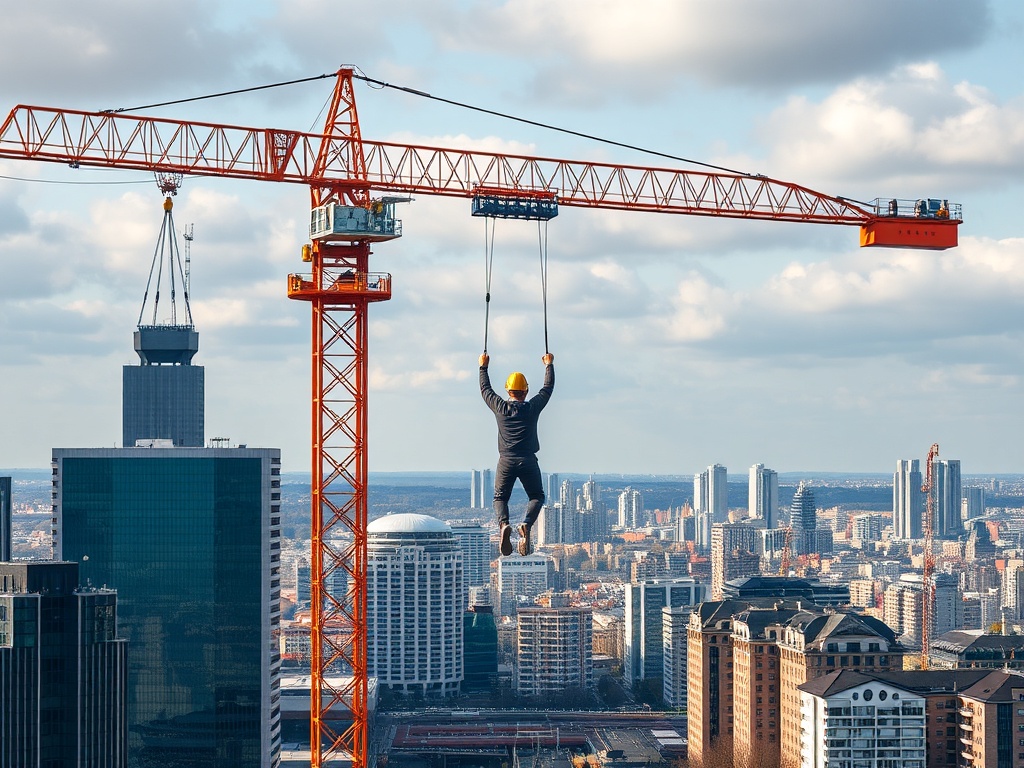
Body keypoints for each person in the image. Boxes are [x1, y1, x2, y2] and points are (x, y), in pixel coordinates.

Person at [479, 352, 555, 556]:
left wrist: (483, 367)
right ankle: (526, 525)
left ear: (508, 390)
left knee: (500, 497)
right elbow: (547, 389)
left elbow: (485, 390)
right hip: (528, 459)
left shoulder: (500, 407)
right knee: (537, 496)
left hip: (506, 460)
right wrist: (549, 365)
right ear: (526, 391)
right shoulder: (531, 408)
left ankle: (504, 524)